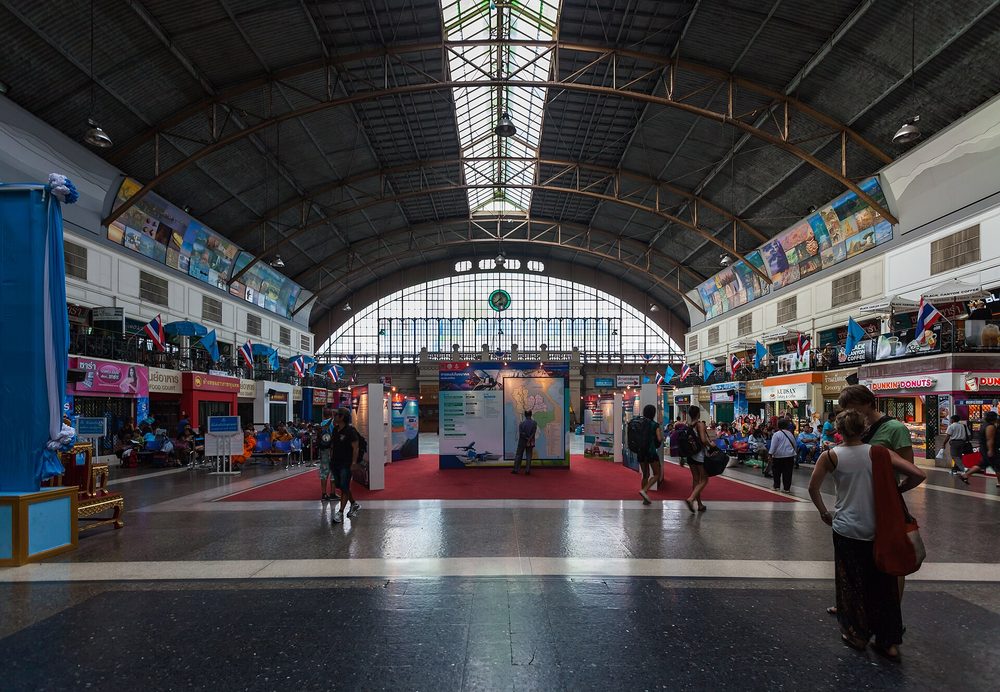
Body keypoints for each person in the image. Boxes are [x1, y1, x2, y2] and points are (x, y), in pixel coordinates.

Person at [807, 409, 926, 660]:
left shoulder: (830, 456)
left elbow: (813, 488)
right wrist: (899, 490)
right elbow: (918, 474)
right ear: (864, 429)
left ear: (838, 431)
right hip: (880, 529)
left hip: (847, 529)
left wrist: (823, 512)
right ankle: (889, 641)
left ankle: (856, 634)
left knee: (851, 583)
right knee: (885, 585)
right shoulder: (880, 453)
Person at [329, 408, 360, 523]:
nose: (334, 417)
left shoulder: (350, 431)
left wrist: (353, 463)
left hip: (346, 463)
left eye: (336, 415)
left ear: (342, 417)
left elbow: (355, 448)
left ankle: (340, 512)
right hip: (335, 462)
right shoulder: (335, 430)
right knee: (342, 486)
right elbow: (333, 446)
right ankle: (353, 503)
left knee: (344, 485)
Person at [959, 410, 998, 487]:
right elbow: (990, 439)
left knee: (982, 464)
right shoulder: (990, 426)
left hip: (983, 448)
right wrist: (990, 450)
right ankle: (966, 475)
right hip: (988, 449)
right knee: (997, 465)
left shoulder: (984, 425)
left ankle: (965, 475)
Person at [684, 405, 712, 513]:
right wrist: (711, 445)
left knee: (696, 479)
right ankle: (691, 499)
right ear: (698, 414)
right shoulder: (700, 424)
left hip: (690, 455)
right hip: (699, 455)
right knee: (704, 479)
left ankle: (699, 504)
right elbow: (704, 440)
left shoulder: (688, 425)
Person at [635, 404, 664, 505]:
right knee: (657, 474)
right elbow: (659, 438)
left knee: (645, 475)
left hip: (641, 452)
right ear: (653, 413)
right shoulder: (654, 425)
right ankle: (644, 490)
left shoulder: (639, 423)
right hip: (651, 452)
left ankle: (645, 498)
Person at [768, 419, 797, 493]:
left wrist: (770, 454)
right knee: (788, 472)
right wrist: (794, 453)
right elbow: (794, 445)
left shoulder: (776, 434)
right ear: (787, 426)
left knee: (776, 472)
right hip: (789, 456)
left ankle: (776, 486)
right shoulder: (790, 434)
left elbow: (773, 446)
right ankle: (786, 488)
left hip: (778, 456)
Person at [317, 412, 336, 501]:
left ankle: (324, 493)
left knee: (324, 471)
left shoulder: (323, 423)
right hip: (334, 449)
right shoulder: (335, 423)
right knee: (334, 471)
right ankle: (332, 493)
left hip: (324, 449)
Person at [512, 410, 538, 475]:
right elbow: (534, 432)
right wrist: (529, 439)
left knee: (518, 455)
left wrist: (526, 438)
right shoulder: (534, 423)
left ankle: (516, 469)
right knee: (529, 455)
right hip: (530, 442)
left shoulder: (521, 423)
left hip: (522, 441)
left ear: (525, 415)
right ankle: (527, 470)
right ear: (531, 415)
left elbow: (521, 433)